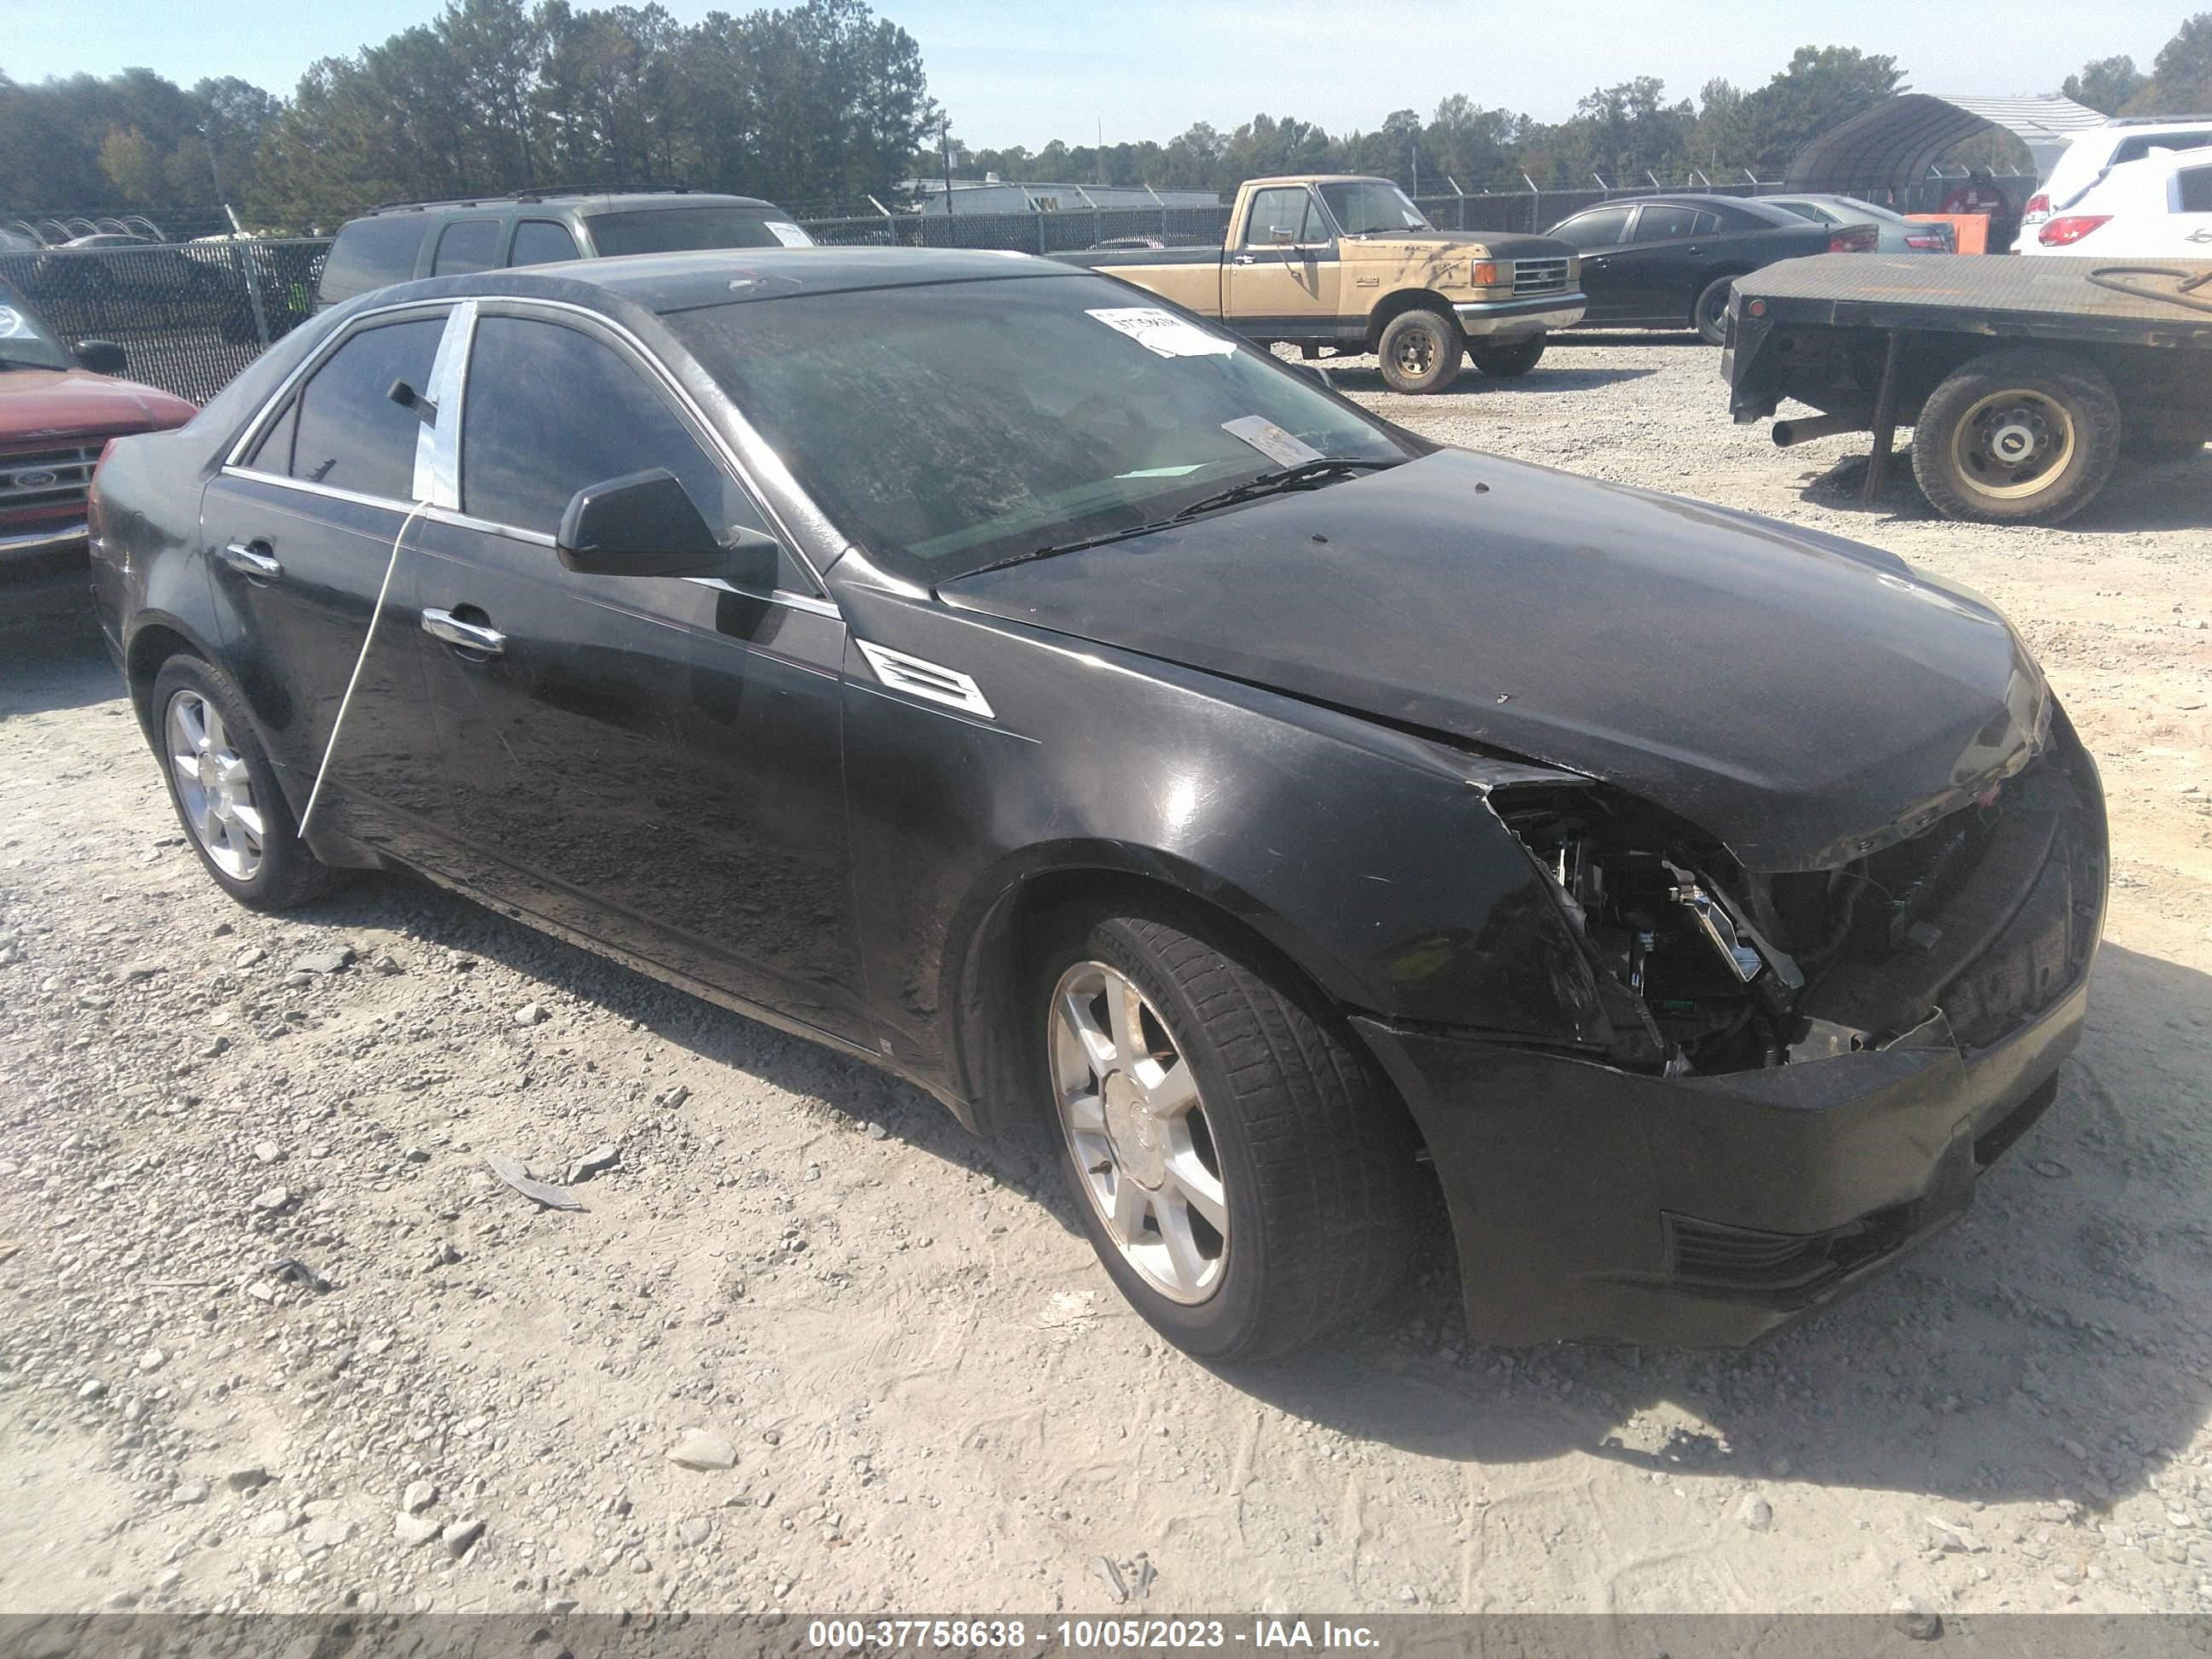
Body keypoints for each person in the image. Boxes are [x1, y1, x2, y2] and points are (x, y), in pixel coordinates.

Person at [1940, 168, 2011, 216]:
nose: (1980, 188)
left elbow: (2008, 214)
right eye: (1977, 184)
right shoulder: (1960, 195)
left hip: (1996, 232)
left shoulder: (1998, 194)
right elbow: (1947, 216)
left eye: (1984, 184)